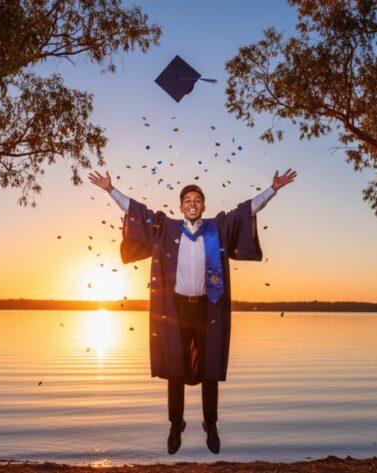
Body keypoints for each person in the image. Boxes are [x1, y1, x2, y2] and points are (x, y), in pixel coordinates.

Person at [88, 169, 296, 454]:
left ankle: (210, 425)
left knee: (210, 368)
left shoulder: (217, 228)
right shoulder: (167, 228)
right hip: (176, 309)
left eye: (197, 199)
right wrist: (111, 190)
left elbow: (246, 209)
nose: (193, 203)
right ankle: (176, 424)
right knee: (176, 368)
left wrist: (273, 189)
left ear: (203, 206)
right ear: (181, 205)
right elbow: (137, 210)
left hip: (208, 309)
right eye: (188, 199)